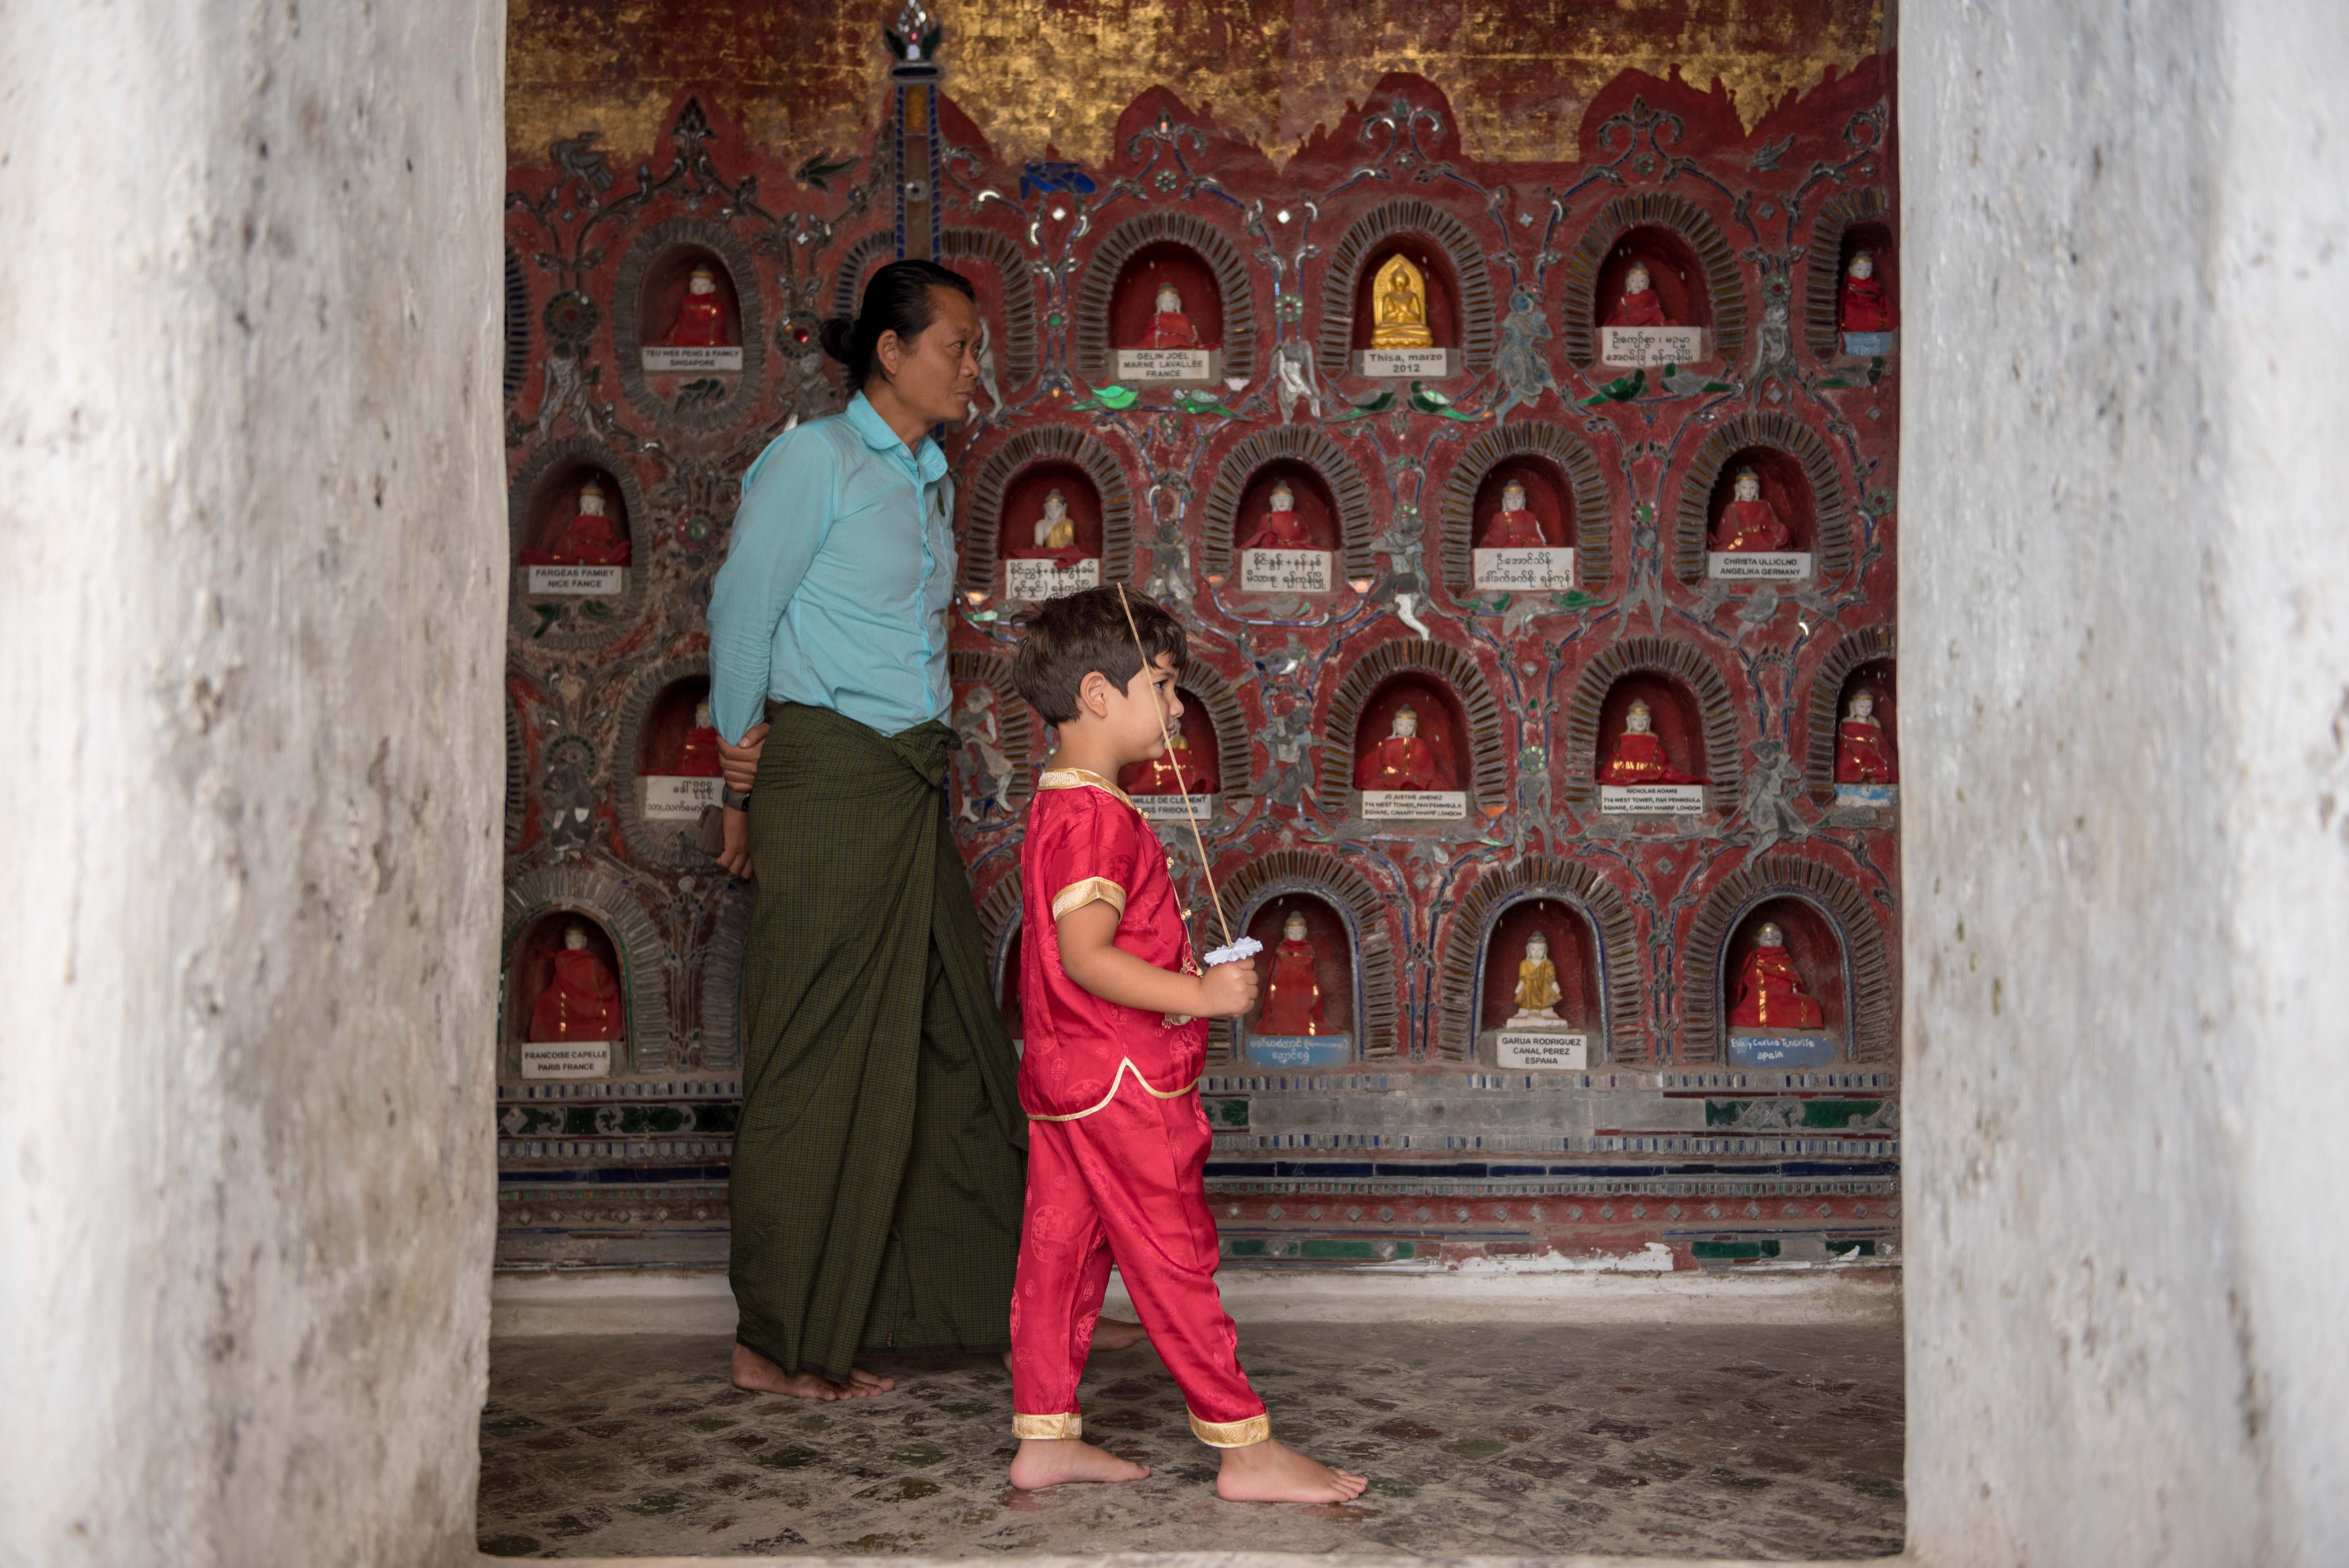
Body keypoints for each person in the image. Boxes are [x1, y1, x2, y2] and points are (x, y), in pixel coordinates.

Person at [705, 260, 1143, 1403]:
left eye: (976, 347)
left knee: (940, 1040)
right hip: (827, 776)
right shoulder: (815, 460)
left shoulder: (926, 478)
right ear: (890, 353)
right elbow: (742, 612)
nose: (972, 367)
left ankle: (960, 1305)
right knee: (816, 1048)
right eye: (955, 345)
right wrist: (738, 773)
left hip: (905, 781)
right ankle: (776, 1337)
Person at [1003, 586, 1369, 1504]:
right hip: (1124, 1083)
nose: (1176, 709)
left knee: (1059, 1253)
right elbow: (1087, 957)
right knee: (1173, 1258)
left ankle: (1045, 1436)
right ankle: (1245, 1447)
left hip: (1065, 1077)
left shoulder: (1061, 803)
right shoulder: (1098, 819)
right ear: (1097, 695)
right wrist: (1200, 995)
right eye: (1163, 686)